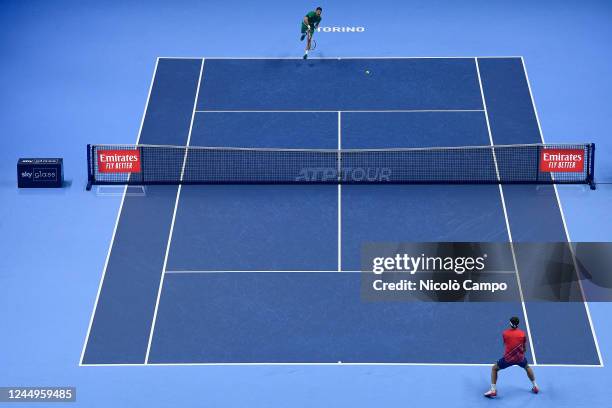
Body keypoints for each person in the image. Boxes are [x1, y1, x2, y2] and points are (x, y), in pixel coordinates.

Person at [484, 317, 539, 398]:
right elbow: (524, 348)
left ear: (510, 324)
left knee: (494, 368)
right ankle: (535, 386)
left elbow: (505, 343)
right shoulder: (522, 334)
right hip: (520, 358)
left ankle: (493, 390)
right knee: (527, 367)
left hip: (508, 359)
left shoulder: (505, 333)